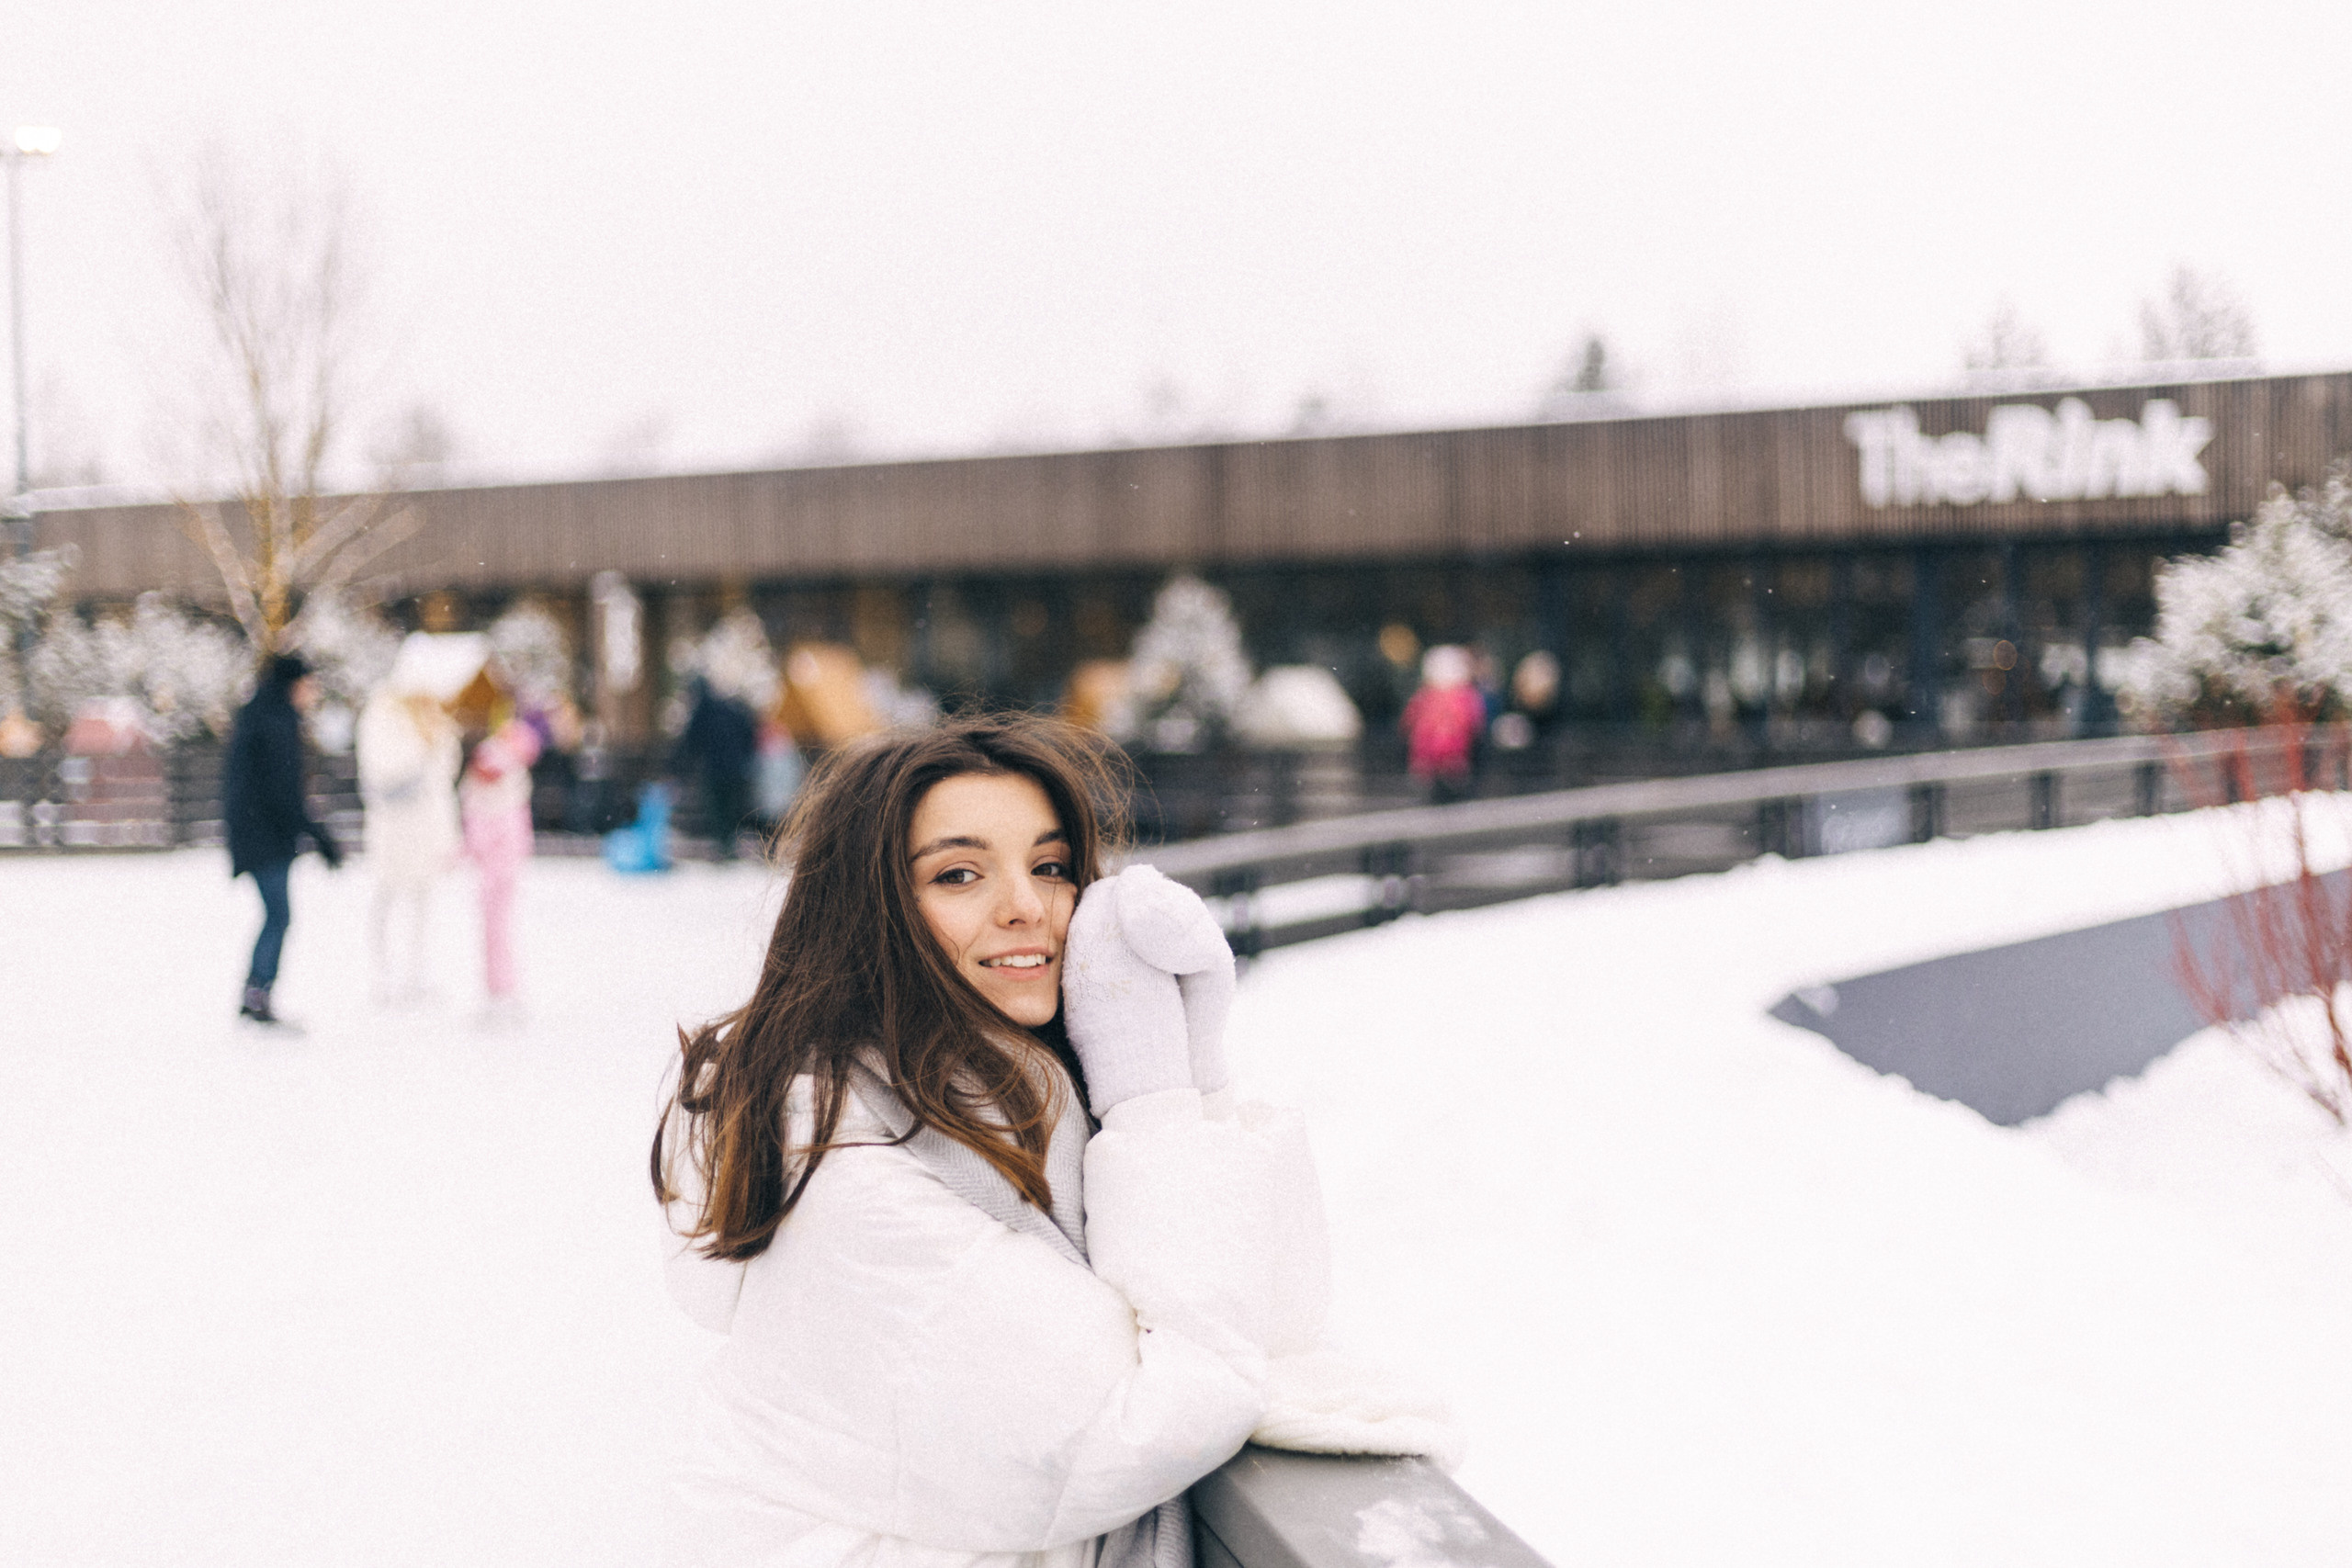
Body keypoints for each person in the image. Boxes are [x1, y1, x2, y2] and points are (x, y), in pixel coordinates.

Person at [650, 714, 1451, 1568]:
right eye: (959, 874)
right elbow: (1147, 1412)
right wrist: (1154, 1104)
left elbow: (1281, 1318)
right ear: (869, 913)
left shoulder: (1039, 1100)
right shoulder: (830, 1155)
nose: (1026, 906)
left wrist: (1193, 1069)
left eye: (1051, 867)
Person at [221, 652, 343, 1026]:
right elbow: (284, 790)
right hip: (265, 835)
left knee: (277, 915)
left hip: (257, 832)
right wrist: (319, 836)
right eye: (310, 684)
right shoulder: (276, 722)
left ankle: (256, 992)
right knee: (278, 916)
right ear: (294, 684)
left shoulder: (260, 714)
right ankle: (257, 994)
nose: (313, 692)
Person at [355, 678, 462, 1004]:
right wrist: (422, 749)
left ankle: (415, 976)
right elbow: (383, 774)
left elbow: (444, 780)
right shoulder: (384, 718)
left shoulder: (436, 724)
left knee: (421, 903)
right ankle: (384, 977)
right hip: (393, 830)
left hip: (425, 832)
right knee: (387, 899)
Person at [460, 715, 541, 1020]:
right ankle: (499, 989)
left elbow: (485, 823)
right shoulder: (504, 779)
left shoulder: (500, 781)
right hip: (499, 861)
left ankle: (500, 988)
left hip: (499, 862)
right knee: (496, 928)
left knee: (496, 928)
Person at [674, 676, 758, 861]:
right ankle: (728, 845)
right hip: (735, 768)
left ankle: (724, 845)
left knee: (718, 808)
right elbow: (748, 732)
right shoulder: (730, 710)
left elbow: (691, 740)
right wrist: (745, 757)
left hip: (715, 769)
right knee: (730, 808)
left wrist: (685, 762)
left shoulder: (703, 711)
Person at [1400, 644, 1487, 804]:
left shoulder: (1461, 697)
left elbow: (1408, 723)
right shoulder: (1430, 697)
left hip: (1448, 758)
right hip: (1440, 758)